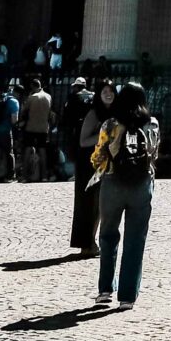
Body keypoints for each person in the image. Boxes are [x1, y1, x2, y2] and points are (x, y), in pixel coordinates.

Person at [89, 81, 160, 309]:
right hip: (141, 184)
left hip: (112, 182)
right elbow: (154, 153)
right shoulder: (152, 124)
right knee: (135, 239)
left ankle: (105, 289)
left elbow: (97, 157)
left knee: (108, 235)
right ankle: (127, 297)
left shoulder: (110, 124)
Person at [68, 80, 108, 255]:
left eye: (111, 91)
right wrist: (105, 136)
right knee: (88, 203)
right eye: (105, 91)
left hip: (103, 162)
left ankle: (91, 241)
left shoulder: (112, 113)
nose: (109, 94)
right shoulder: (93, 113)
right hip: (89, 163)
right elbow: (84, 141)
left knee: (100, 204)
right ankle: (87, 243)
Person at [19, 77, 55, 182]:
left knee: (27, 150)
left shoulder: (32, 97)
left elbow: (24, 112)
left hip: (31, 127)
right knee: (42, 151)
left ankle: (25, 176)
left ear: (32, 86)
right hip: (43, 128)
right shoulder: (48, 97)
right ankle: (44, 176)